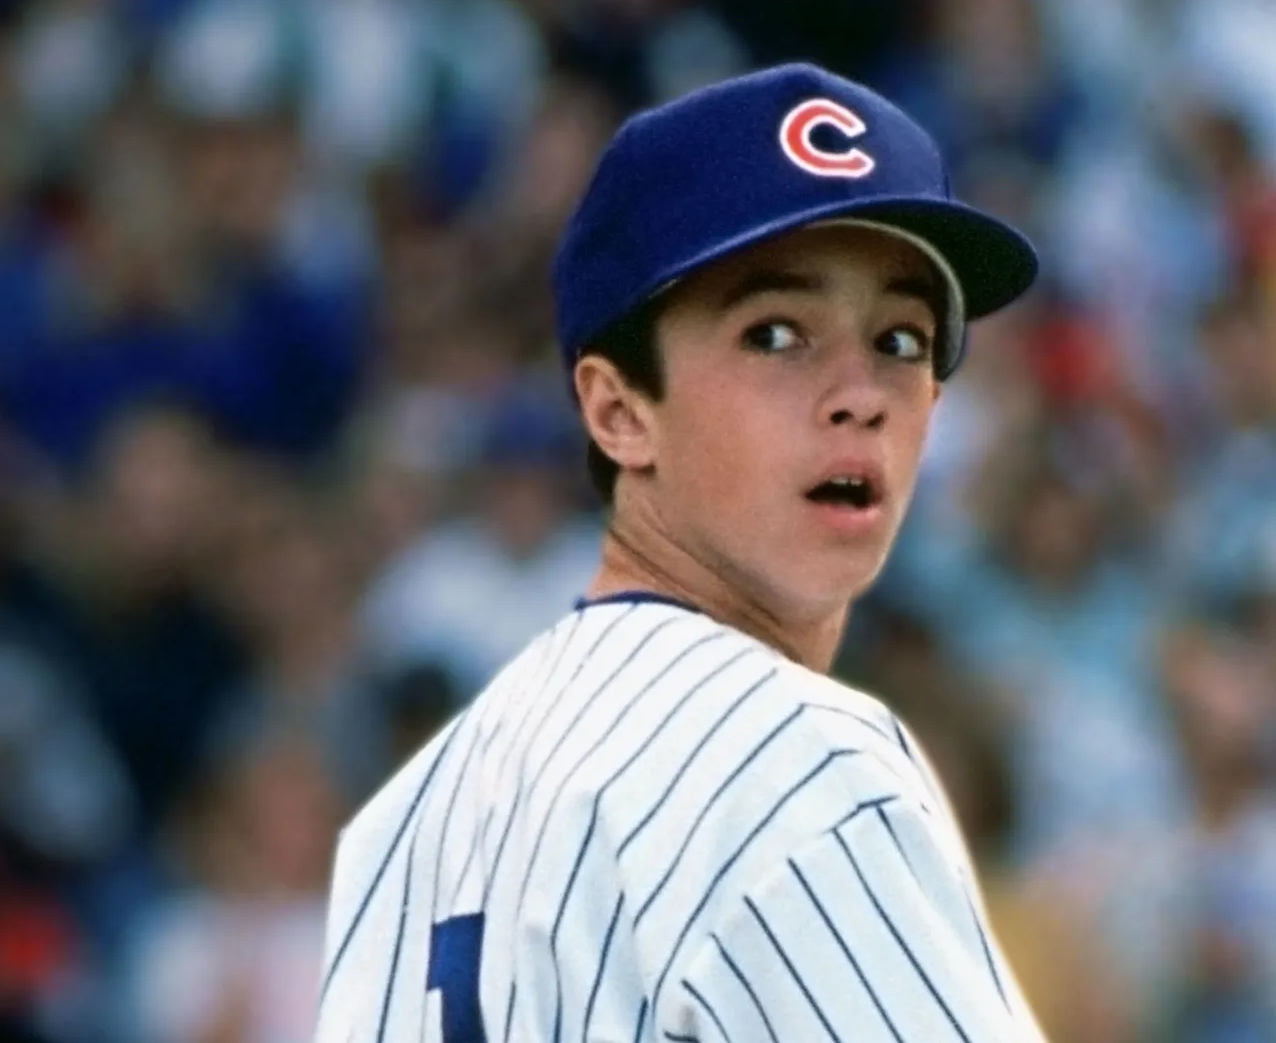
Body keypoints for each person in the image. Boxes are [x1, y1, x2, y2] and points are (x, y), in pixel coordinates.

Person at [313, 63, 1049, 1043]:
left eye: (902, 342)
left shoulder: (406, 818)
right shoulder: (793, 757)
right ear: (619, 411)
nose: (861, 395)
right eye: (776, 334)